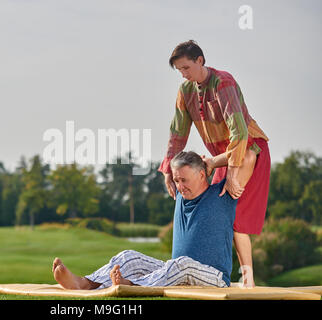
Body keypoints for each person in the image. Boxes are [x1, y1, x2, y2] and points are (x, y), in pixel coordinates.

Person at [52, 151, 254, 290]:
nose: (180, 186)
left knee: (182, 264)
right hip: (175, 272)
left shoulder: (223, 194)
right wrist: (172, 175)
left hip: (214, 278)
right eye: (176, 180)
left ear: (202, 174)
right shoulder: (180, 198)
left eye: (184, 180)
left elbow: (248, 155)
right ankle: (84, 284)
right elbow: (172, 158)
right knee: (129, 257)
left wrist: (212, 162)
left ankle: (132, 287)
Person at [159, 40, 271, 287]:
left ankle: (248, 279)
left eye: (187, 67)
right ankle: (205, 274)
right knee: (220, 215)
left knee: (237, 220)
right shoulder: (185, 91)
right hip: (219, 159)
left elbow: (239, 132)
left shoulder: (223, 82)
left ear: (200, 60)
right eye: (180, 70)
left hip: (249, 150)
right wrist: (168, 170)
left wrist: (232, 170)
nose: (184, 74)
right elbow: (177, 132)